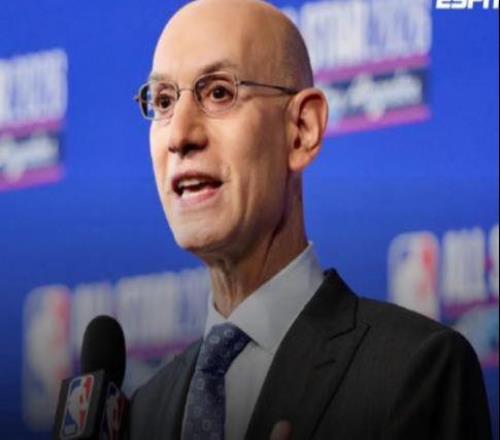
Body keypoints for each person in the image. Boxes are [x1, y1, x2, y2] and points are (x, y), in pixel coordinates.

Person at [128, 0, 492, 439]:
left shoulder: (415, 371)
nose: (180, 135)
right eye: (163, 101)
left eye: (219, 93)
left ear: (302, 129)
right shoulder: (143, 413)